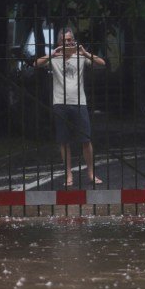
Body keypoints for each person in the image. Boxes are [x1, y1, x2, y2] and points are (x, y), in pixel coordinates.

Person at [35, 27, 106, 187]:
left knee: (86, 139)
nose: (67, 43)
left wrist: (85, 53)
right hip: (60, 102)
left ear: (73, 40)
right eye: (64, 40)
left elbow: (102, 63)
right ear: (59, 42)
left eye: (69, 40)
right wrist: (52, 54)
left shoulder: (80, 56)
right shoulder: (55, 58)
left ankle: (91, 173)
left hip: (79, 102)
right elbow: (36, 64)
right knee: (64, 141)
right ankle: (68, 175)